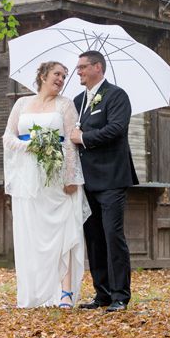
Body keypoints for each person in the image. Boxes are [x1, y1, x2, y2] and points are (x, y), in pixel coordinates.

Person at [3, 61, 90, 309]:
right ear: (42, 75)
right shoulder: (21, 104)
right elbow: (8, 136)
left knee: (63, 232)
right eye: (57, 74)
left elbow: (71, 144)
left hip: (58, 176)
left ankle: (65, 293)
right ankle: (34, 292)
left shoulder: (65, 104)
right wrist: (28, 146)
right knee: (32, 234)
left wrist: (71, 178)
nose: (61, 79)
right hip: (28, 180)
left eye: (64, 76)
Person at [70, 50, 138, 312]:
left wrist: (84, 137)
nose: (78, 72)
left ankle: (121, 296)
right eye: (77, 68)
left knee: (112, 236)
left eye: (82, 67)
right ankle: (103, 294)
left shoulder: (117, 95)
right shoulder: (77, 101)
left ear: (97, 67)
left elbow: (116, 129)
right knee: (94, 238)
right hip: (86, 181)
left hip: (111, 178)